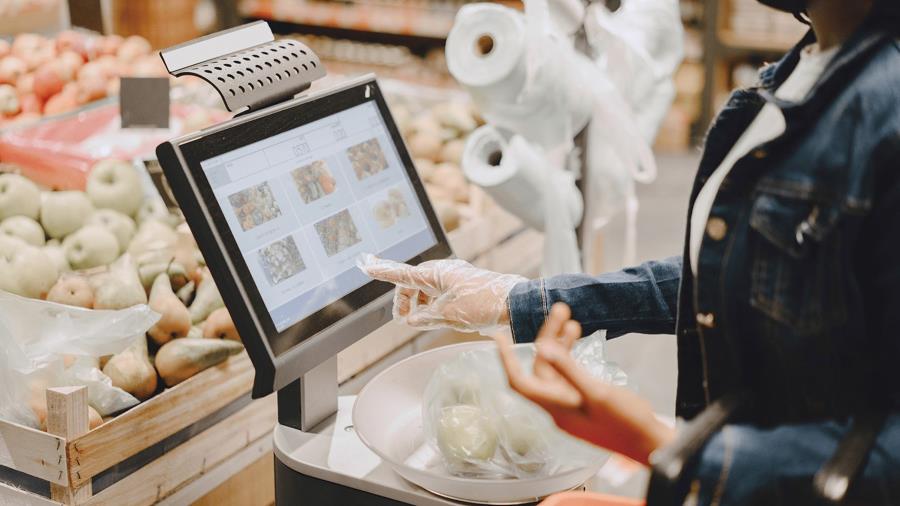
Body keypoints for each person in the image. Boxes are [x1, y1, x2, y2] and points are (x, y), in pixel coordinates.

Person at [361, 0, 900, 503]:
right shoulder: (809, 65)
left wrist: (655, 441)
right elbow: (744, 274)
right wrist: (515, 299)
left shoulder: (885, 111)